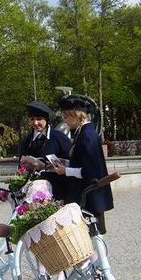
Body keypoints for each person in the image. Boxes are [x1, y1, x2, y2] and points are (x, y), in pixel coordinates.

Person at [53, 95, 113, 234]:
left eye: (67, 116)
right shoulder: (83, 133)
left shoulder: (87, 135)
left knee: (90, 236)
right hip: (86, 193)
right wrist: (66, 163)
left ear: (77, 115)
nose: (65, 120)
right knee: (88, 237)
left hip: (88, 194)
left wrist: (65, 170)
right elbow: (82, 161)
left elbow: (90, 171)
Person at [17, 101, 71, 200]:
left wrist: (45, 166)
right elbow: (20, 166)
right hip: (33, 190)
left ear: (47, 120)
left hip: (58, 188)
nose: (35, 123)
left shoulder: (59, 137)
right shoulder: (26, 140)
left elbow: (71, 162)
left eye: (39, 119)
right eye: (32, 119)